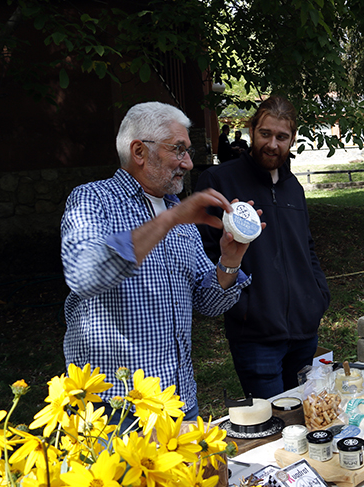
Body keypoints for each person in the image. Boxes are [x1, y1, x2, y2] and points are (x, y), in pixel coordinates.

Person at [61, 101, 262, 422]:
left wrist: (229, 259)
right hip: (115, 410)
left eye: (188, 151)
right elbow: (85, 274)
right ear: (139, 151)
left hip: (179, 402)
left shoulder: (177, 211)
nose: (187, 163)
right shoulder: (92, 199)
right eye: (178, 149)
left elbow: (207, 303)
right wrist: (168, 220)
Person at [195, 95, 330, 399]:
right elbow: (204, 252)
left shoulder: (293, 187)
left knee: (309, 418)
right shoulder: (218, 181)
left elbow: (306, 247)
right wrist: (245, 307)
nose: (273, 144)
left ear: (292, 139)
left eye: (282, 137)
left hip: (305, 332)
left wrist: (318, 296)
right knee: (272, 427)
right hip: (255, 336)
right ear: (252, 130)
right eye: (265, 134)